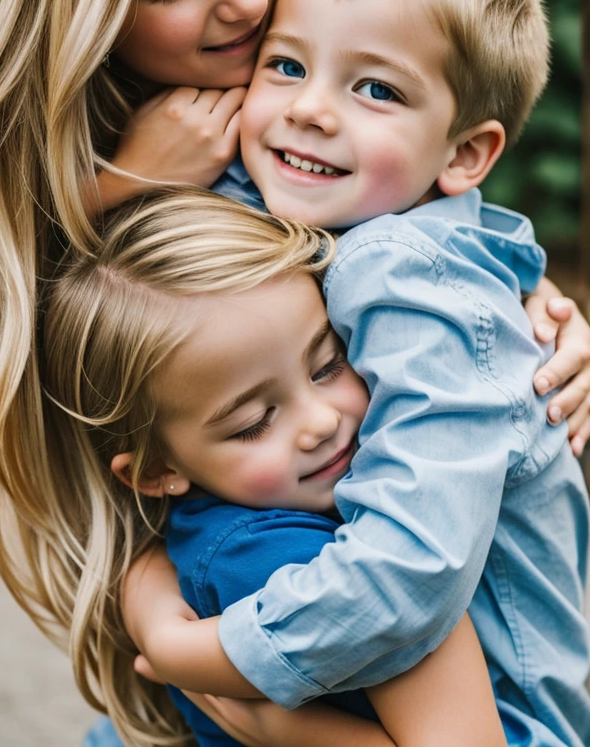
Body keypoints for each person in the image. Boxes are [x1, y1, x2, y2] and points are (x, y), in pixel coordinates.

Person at [0, 0, 589, 741]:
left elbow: (429, 254)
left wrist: (524, 310)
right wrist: (109, 190)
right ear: (65, 15)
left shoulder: (325, 136)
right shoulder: (114, 228)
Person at [124, 0, 590, 747]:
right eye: (288, 64)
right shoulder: (349, 204)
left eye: (375, 88)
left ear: (461, 157)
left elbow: (413, 566)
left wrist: (194, 648)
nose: (310, 110)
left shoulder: (401, 271)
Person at [43, 185, 507, 747]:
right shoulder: (328, 568)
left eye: (328, 363)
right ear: (154, 472)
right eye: (255, 422)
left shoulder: (202, 534)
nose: (319, 421)